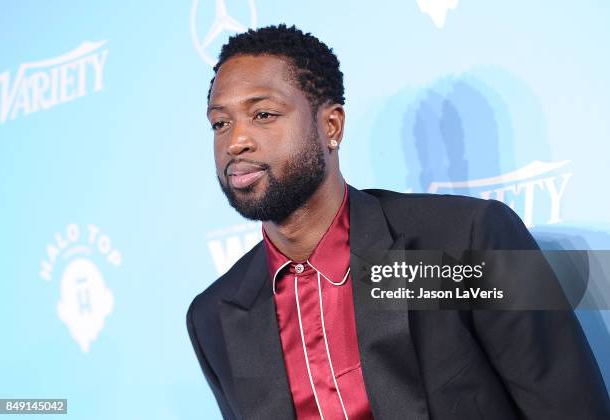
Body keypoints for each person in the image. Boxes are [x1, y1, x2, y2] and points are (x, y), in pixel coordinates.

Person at [187, 24, 609, 419]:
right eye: (220, 123)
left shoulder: (467, 239)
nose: (236, 141)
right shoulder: (215, 316)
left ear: (331, 125)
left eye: (263, 114)